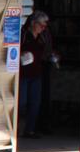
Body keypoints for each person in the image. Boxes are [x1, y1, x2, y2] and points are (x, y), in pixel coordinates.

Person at [18, 10, 57, 139]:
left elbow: (47, 51)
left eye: (45, 26)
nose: (43, 28)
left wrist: (52, 56)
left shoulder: (43, 36)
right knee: (21, 102)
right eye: (41, 25)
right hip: (23, 73)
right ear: (33, 23)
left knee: (35, 102)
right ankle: (18, 129)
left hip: (36, 73)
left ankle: (29, 130)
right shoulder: (23, 34)